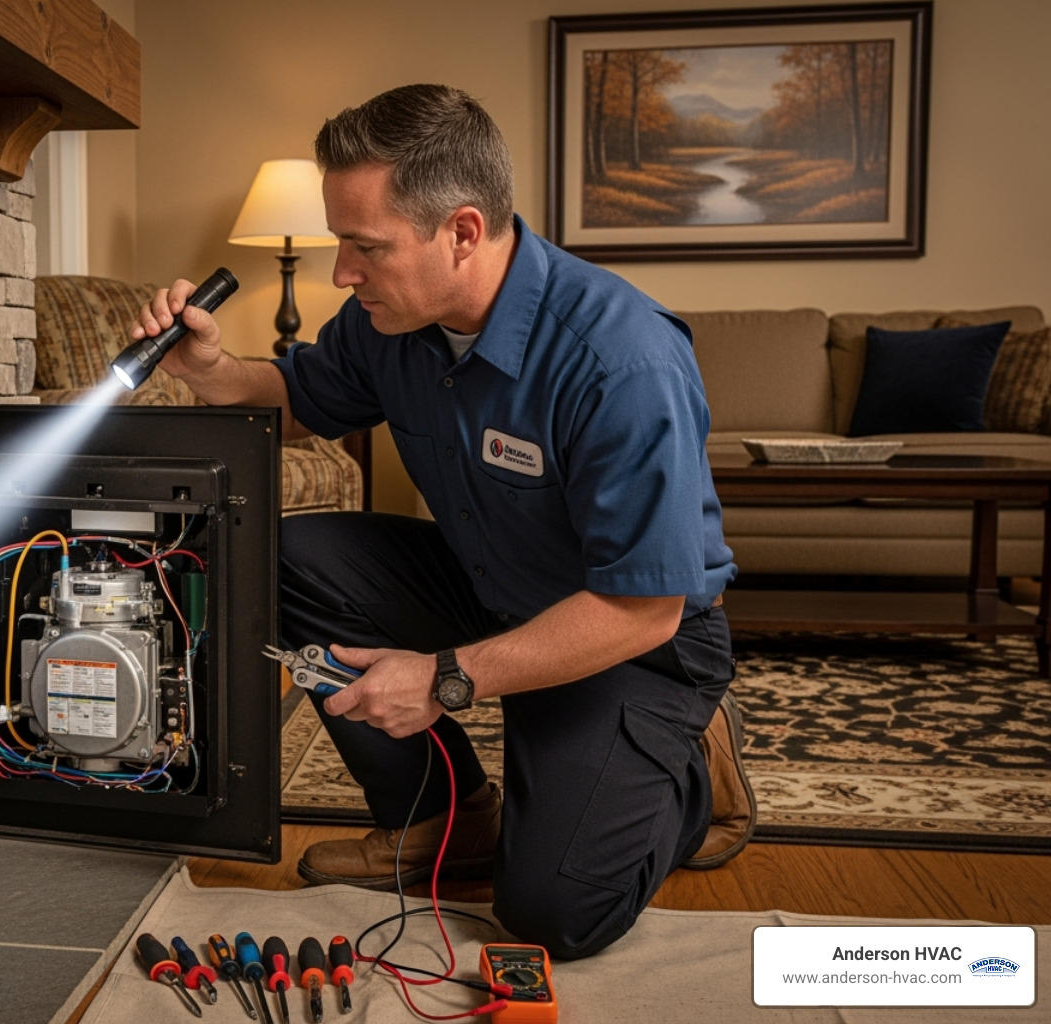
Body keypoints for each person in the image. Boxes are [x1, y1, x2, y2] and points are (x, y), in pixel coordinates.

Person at [130, 83, 753, 960]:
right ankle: (441, 818)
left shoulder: (621, 360)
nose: (343, 272)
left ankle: (691, 766)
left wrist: (447, 678)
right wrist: (209, 366)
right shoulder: (389, 319)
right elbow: (297, 398)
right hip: (489, 584)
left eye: (363, 247)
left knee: (553, 913)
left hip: (631, 636)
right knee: (271, 553)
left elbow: (642, 607)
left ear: (462, 231)